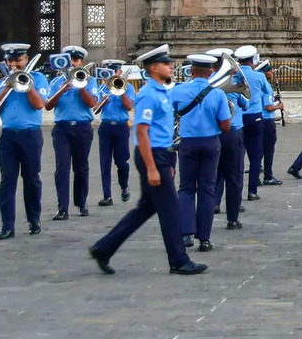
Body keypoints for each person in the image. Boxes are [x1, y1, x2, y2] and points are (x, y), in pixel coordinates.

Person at [89, 45, 207, 275]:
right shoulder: (148, 94)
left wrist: (166, 162)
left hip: (161, 154)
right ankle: (178, 260)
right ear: (153, 68)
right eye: (166, 63)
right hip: (152, 155)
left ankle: (104, 247)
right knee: (171, 210)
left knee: (145, 209)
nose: (171, 66)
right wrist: (153, 168)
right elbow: (141, 132)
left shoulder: (161, 92)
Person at [171, 54, 231, 253]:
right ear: (211, 72)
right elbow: (226, 126)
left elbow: (169, 113)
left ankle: (186, 232)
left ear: (191, 71)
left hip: (188, 142)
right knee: (207, 189)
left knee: (186, 187)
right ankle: (204, 239)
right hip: (210, 142)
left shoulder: (179, 91)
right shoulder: (218, 94)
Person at [0, 42, 49, 240]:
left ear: (26, 60)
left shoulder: (38, 78)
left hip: (30, 134)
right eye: (11, 60)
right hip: (6, 136)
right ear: (6, 62)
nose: (15, 64)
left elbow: (40, 104)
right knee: (7, 180)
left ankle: (34, 221)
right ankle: (7, 226)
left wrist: (26, 84)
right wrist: (7, 86)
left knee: (32, 179)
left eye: (19, 60)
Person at [45, 45, 98, 220]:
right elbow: (48, 106)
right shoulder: (55, 82)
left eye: (76, 60)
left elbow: (91, 104)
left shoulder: (90, 81)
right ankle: (62, 208)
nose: (73, 64)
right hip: (62, 128)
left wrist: (81, 85)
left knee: (81, 168)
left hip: (82, 127)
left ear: (82, 63)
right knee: (62, 168)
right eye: (70, 61)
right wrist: (62, 89)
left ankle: (82, 203)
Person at [212, 49, 249, 229]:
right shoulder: (234, 83)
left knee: (215, 173)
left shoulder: (207, 86)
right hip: (232, 131)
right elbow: (245, 104)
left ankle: (215, 203)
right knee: (234, 175)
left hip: (213, 134)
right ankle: (233, 217)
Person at [232, 46, 270, 201]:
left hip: (240, 119)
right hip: (255, 117)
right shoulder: (259, 76)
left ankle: (237, 193)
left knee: (239, 158)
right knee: (256, 156)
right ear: (253, 61)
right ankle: (252, 190)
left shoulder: (234, 77)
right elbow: (267, 91)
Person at [95, 60, 135, 206]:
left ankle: (124, 186)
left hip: (121, 127)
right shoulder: (102, 88)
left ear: (120, 72)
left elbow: (129, 106)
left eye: (116, 71)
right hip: (106, 127)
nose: (113, 74)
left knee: (122, 161)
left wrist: (121, 91)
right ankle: (107, 196)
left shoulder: (128, 87)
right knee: (104, 162)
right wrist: (103, 101)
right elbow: (95, 109)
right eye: (110, 72)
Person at [258, 59, 284, 186]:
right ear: (265, 72)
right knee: (268, 150)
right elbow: (268, 107)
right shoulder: (266, 86)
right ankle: (268, 175)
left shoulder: (259, 85)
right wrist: (278, 106)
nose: (272, 72)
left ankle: (256, 175)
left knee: (259, 150)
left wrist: (274, 99)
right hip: (267, 121)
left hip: (260, 119)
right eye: (270, 70)